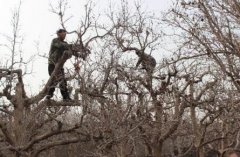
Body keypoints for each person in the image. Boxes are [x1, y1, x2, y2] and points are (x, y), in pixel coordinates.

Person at [46, 29, 72, 100]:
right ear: (58, 34)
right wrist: (70, 46)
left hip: (60, 65)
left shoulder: (65, 43)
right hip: (52, 64)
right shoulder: (55, 41)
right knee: (55, 79)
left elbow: (69, 52)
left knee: (62, 81)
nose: (64, 36)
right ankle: (49, 94)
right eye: (63, 34)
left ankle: (66, 98)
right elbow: (61, 46)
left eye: (65, 34)